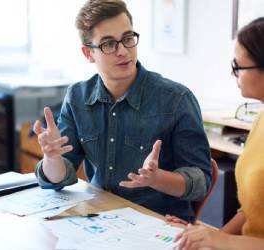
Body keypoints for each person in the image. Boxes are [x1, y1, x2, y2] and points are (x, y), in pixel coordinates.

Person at [33, 0, 212, 222]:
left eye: (128, 39)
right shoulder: (78, 97)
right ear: (88, 53)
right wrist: (52, 158)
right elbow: (58, 179)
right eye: (109, 44)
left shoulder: (176, 99)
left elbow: (201, 183)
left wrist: (158, 179)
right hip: (100, 221)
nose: (123, 51)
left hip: (159, 225)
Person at [174, 17, 264, 250]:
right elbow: (254, 210)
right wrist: (205, 236)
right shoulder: (260, 119)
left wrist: (222, 240)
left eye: (238, 66)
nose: (232, 73)